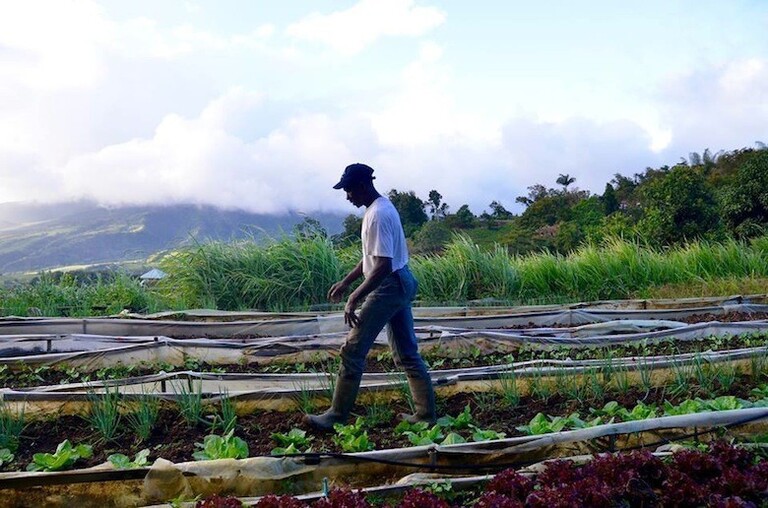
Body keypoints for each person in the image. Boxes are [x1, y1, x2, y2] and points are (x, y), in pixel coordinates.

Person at [304, 163, 436, 431]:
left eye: (349, 190)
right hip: (400, 281)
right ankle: (425, 414)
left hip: (390, 284)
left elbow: (383, 266)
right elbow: (371, 258)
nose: (347, 196)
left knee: (353, 349)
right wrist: (346, 281)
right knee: (407, 352)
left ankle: (336, 416)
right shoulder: (379, 208)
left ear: (363, 186)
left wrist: (353, 297)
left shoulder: (378, 215)